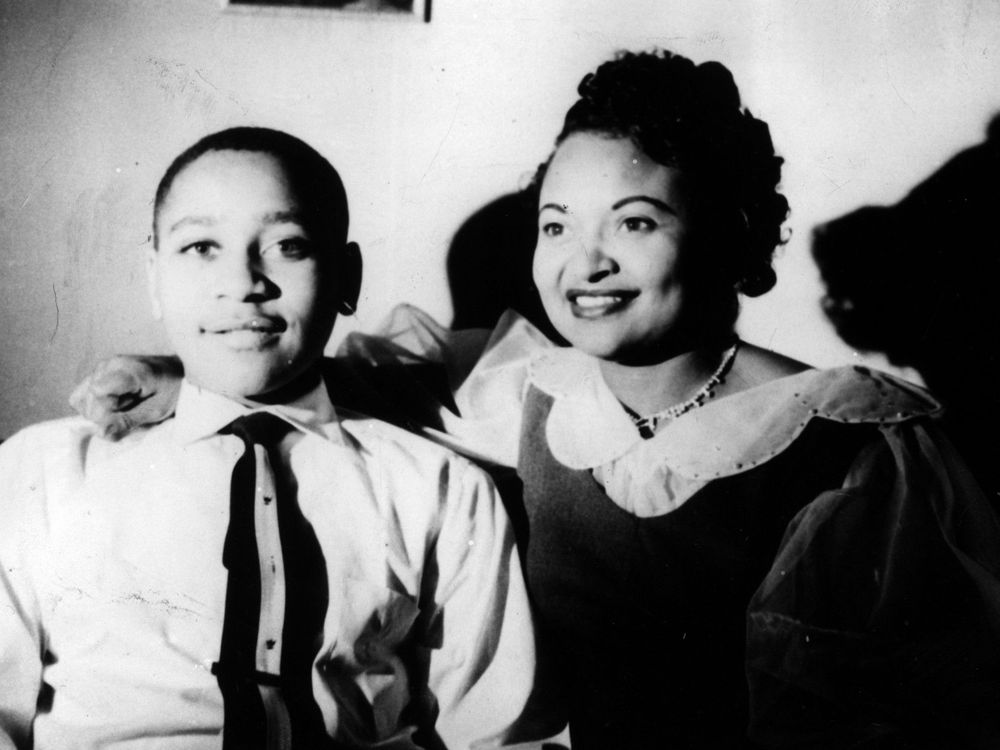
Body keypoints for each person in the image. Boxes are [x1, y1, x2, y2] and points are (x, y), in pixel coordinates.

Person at [70, 53, 1000, 748]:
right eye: (557, 225)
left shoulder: (850, 443)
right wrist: (177, 369)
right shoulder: (529, 389)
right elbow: (336, 378)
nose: (582, 263)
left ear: (730, 233)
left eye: (634, 222)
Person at [0, 127, 538, 749]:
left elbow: (499, 734)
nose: (244, 281)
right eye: (202, 247)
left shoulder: (441, 489)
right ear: (153, 276)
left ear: (346, 278)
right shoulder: (41, 473)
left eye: (288, 245)